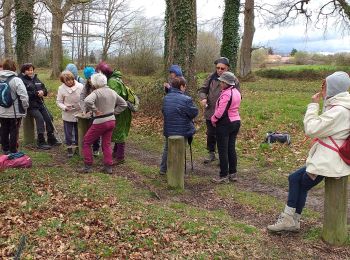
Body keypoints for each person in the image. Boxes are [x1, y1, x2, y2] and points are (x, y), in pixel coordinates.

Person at [268, 71, 350, 232]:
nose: (322, 88)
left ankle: (289, 219)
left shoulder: (340, 110)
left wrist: (313, 105)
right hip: (328, 158)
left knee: (296, 180)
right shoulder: (341, 105)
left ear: (333, 87)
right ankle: (292, 219)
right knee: (297, 181)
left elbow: (311, 128)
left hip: (329, 161)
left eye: (325, 85)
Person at [80, 73, 127, 174]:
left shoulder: (96, 92)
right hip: (111, 121)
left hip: (100, 121)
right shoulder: (112, 91)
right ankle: (108, 167)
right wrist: (114, 112)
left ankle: (87, 166)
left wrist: (95, 110)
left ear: (95, 83)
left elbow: (87, 100)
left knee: (86, 142)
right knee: (106, 144)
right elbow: (124, 104)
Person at [198, 57, 240, 164]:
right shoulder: (211, 77)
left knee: (223, 138)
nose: (220, 70)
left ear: (227, 68)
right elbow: (202, 90)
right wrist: (203, 98)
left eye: (222, 68)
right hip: (210, 111)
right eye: (218, 68)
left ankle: (224, 159)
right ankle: (211, 154)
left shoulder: (234, 80)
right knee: (211, 134)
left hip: (225, 116)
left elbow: (238, 95)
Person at [160, 76, 198, 175]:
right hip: (183, 130)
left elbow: (164, 111)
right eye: (184, 86)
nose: (185, 88)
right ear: (181, 87)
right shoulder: (186, 99)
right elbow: (194, 112)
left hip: (169, 129)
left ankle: (163, 169)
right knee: (180, 150)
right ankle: (177, 172)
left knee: (167, 149)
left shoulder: (166, 98)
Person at [95, 61, 131, 165]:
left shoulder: (112, 82)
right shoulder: (114, 79)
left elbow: (112, 98)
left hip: (120, 109)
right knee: (117, 131)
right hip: (120, 108)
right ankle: (115, 153)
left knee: (119, 132)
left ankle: (120, 157)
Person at [19, 63, 61, 149]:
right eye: (28, 70)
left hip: (40, 103)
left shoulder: (36, 78)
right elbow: (23, 93)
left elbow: (44, 88)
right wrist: (35, 93)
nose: (30, 72)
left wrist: (43, 92)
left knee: (49, 117)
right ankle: (41, 141)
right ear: (24, 71)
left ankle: (51, 138)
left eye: (31, 70)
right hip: (30, 105)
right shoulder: (21, 80)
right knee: (40, 119)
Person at [210, 72, 241, 183]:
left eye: (222, 81)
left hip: (225, 124)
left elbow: (220, 112)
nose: (220, 83)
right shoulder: (236, 91)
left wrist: (213, 119)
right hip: (236, 121)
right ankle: (233, 174)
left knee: (223, 150)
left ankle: (223, 176)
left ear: (227, 83)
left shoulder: (227, 94)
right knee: (231, 148)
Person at [0, 59, 29, 154]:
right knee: (14, 131)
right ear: (13, 67)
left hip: (1, 111)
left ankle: (5, 149)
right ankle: (13, 150)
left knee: (4, 129)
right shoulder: (16, 80)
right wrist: (25, 107)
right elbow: (24, 96)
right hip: (14, 112)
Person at [56, 71, 83, 157]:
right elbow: (59, 102)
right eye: (67, 81)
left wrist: (83, 107)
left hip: (79, 113)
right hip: (67, 114)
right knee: (68, 133)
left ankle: (79, 148)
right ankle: (69, 149)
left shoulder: (80, 86)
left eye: (71, 80)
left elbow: (85, 98)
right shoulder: (61, 88)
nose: (69, 82)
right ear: (63, 81)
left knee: (78, 131)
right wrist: (65, 107)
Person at [80, 66, 100, 156]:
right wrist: (84, 110)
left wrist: (94, 110)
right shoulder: (86, 86)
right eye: (88, 78)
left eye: (91, 77)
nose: (90, 80)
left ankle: (96, 149)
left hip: (98, 111)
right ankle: (88, 147)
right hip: (89, 111)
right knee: (89, 129)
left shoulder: (100, 85)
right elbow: (82, 97)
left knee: (96, 130)